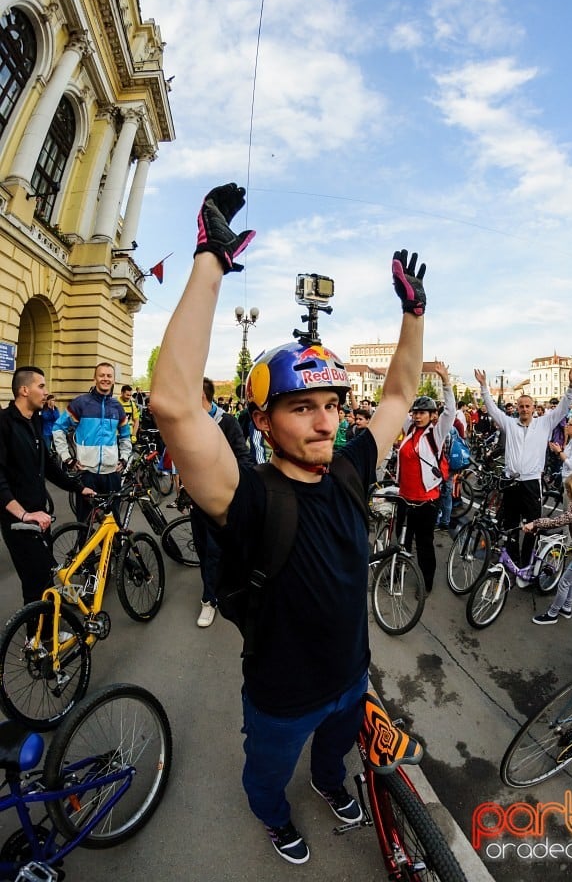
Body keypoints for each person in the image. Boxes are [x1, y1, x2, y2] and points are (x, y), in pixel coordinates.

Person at [150, 182, 426, 865]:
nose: (327, 419)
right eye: (303, 407)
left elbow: (398, 394)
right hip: (278, 698)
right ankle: (275, 818)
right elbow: (174, 402)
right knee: (268, 776)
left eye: (332, 403)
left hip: (351, 679)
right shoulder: (247, 495)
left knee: (334, 759)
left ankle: (330, 783)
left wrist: (414, 315)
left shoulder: (353, 466)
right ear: (265, 421)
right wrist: (210, 258)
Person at [0, 366, 93, 608]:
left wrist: (78, 487)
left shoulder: (35, 421)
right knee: (35, 581)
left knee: (43, 578)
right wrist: (24, 514)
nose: (46, 392)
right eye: (41, 386)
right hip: (19, 520)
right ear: (24, 390)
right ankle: (36, 641)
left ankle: (44, 635)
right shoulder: (4, 424)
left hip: (40, 515)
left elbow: (49, 466)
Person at [474, 368, 572, 566]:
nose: (524, 409)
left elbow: (563, 408)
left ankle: (527, 561)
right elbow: (493, 409)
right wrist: (483, 386)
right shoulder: (510, 424)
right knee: (511, 525)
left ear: (533, 408)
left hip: (531, 482)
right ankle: (513, 561)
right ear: (517, 408)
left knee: (533, 524)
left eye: (527, 406)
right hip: (512, 482)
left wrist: (571, 387)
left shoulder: (544, 423)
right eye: (520, 406)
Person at [193, 377, 253, 627]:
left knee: (216, 551)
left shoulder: (226, 422)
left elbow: (243, 456)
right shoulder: (190, 423)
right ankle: (219, 587)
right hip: (198, 497)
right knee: (203, 549)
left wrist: (240, 490)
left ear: (201, 396)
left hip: (222, 498)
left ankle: (209, 600)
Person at [396, 370, 455, 590]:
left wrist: (446, 383)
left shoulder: (435, 433)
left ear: (432, 415)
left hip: (426, 500)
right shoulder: (409, 429)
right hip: (405, 496)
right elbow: (400, 405)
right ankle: (396, 570)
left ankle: (426, 582)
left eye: (422, 413)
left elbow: (450, 411)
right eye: (415, 412)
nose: (417, 416)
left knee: (424, 543)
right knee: (400, 539)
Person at [52, 362, 132, 520]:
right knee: (85, 522)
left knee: (113, 522)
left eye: (109, 376)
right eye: (101, 375)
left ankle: (110, 545)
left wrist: (123, 459)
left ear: (114, 380)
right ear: (94, 378)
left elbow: (125, 436)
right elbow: (58, 428)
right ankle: (85, 544)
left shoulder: (117, 407)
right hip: (87, 473)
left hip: (112, 474)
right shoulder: (81, 403)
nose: (105, 379)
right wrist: (67, 458)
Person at [522, 471, 572, 625]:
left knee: (564, 581)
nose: (567, 493)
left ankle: (553, 614)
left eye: (569, 490)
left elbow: (558, 521)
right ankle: (567, 608)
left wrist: (535, 523)